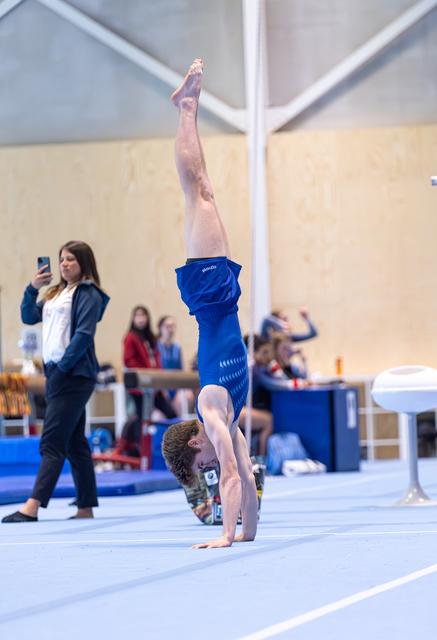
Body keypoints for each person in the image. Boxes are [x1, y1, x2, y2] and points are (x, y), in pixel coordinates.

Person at [161, 59, 258, 549]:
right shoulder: (232, 417)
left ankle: (187, 107)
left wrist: (224, 536)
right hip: (220, 297)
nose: (212, 466)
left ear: (196, 442)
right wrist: (246, 533)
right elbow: (246, 477)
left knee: (197, 190)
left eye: (203, 464)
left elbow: (234, 480)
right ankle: (187, 106)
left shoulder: (211, 408)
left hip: (208, 293)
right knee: (202, 190)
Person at [2, 241, 109, 523]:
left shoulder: (89, 294)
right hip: (56, 372)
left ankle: (33, 506)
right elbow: (28, 316)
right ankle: (85, 506)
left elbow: (83, 335)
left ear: (84, 262)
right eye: (62, 259)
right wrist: (31, 287)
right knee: (74, 442)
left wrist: (62, 368)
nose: (64, 264)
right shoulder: (55, 293)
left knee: (52, 441)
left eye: (71, 259)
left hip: (73, 374)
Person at [123, 306, 176, 445]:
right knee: (141, 418)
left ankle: (175, 443)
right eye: (138, 316)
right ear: (133, 319)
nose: (141, 319)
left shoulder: (150, 338)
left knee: (171, 413)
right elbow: (129, 360)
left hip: (154, 383)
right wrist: (145, 373)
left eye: (143, 316)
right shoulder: (130, 337)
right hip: (140, 385)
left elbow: (156, 359)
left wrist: (157, 377)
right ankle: (140, 449)